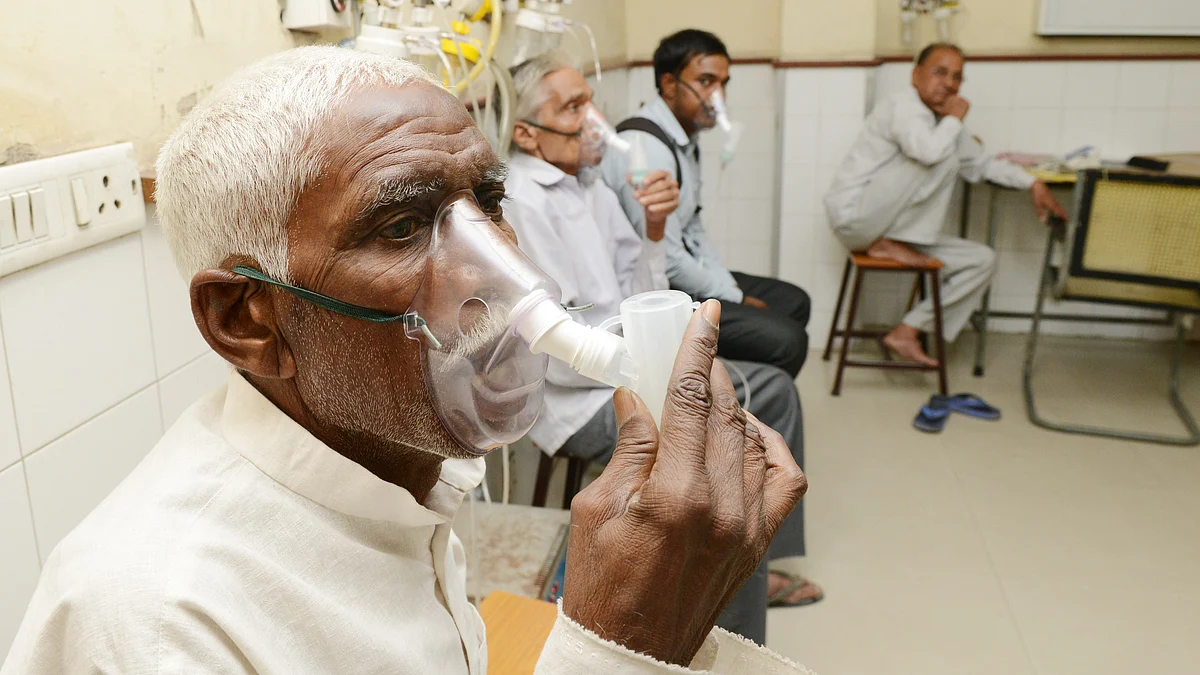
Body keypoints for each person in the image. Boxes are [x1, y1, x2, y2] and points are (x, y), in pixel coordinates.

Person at [0, 47, 813, 675]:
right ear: (247, 319)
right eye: (400, 227)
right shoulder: (156, 620)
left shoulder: (396, 471)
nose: (505, 273)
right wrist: (617, 645)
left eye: (488, 204)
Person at [503, 53, 823, 645]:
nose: (593, 118)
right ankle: (728, 613)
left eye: (590, 100)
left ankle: (748, 563)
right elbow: (559, 356)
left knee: (764, 393)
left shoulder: (590, 188)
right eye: (572, 108)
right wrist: (663, 367)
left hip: (630, 363)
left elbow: (643, 292)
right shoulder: (524, 202)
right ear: (526, 133)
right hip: (581, 397)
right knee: (734, 419)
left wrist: (653, 232)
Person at [823, 42, 1067, 366]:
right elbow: (929, 152)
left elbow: (980, 164)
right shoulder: (903, 107)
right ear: (915, 75)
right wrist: (955, 119)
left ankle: (908, 330)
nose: (950, 84)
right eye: (940, 73)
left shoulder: (942, 123)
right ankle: (885, 243)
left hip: (892, 228)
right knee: (943, 154)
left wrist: (1033, 183)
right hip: (856, 220)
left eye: (957, 77)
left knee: (981, 260)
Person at [601, 29, 812, 379]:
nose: (718, 96)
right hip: (657, 294)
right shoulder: (647, 148)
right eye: (706, 81)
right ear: (669, 84)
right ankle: (730, 398)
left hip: (681, 275)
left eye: (723, 83)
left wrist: (728, 287)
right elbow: (668, 261)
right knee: (787, 341)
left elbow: (693, 227)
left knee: (794, 301)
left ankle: (751, 391)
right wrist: (734, 296)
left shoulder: (683, 138)